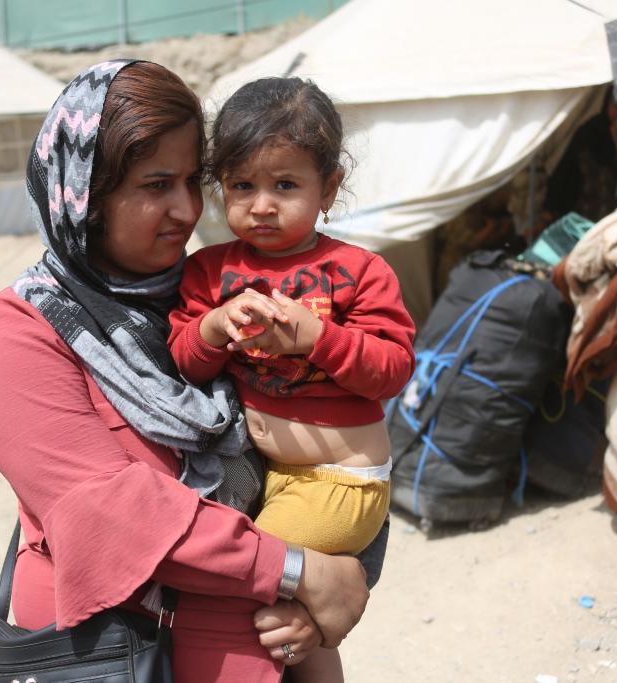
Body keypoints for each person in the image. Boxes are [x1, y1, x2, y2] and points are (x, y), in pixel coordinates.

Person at [0, 60, 372, 683]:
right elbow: (112, 513)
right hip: (119, 658)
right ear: (86, 194)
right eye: (156, 185)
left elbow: (341, 450)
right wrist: (298, 572)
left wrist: (329, 591)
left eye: (191, 181)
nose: (185, 209)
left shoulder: (217, 297)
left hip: (272, 651)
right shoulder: (22, 331)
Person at [168, 76, 416, 682]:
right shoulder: (207, 272)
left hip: (339, 482)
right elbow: (182, 358)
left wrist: (317, 338)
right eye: (242, 185)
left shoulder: (358, 271)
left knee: (251, 580)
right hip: (268, 475)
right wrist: (216, 327)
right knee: (287, 607)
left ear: (327, 188)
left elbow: (390, 369)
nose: (261, 205)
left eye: (285, 185)